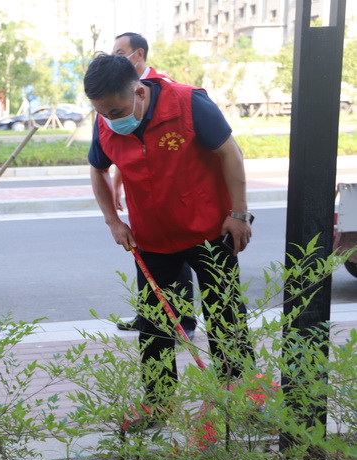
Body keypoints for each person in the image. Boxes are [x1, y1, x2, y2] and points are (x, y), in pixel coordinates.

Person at [84, 54, 256, 418]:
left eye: (116, 111)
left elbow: (231, 153)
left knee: (226, 317)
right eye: (101, 113)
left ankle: (239, 398)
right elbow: (97, 169)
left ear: (139, 92)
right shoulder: (106, 124)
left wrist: (238, 213)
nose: (110, 120)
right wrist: (113, 221)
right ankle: (159, 403)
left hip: (210, 231)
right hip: (152, 239)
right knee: (155, 324)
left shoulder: (189, 103)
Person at [101, 32, 197, 338]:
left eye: (120, 52)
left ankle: (185, 321)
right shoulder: (112, 98)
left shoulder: (165, 90)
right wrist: (116, 183)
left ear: (138, 54)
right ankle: (151, 318)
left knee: (179, 267)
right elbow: (127, 150)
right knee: (153, 280)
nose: (115, 58)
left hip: (182, 206)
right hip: (146, 210)